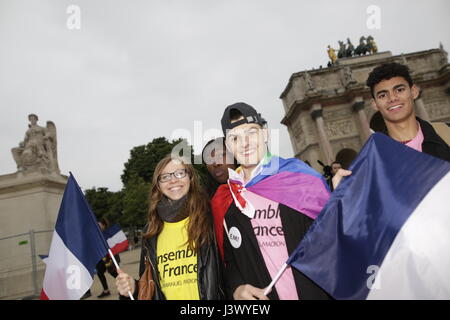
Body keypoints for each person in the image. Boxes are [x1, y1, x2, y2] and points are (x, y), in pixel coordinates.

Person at [211, 102, 346, 300]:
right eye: (235, 138)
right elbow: (231, 262)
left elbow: (339, 238)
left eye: (251, 133)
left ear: (265, 134)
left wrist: (343, 203)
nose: (245, 143)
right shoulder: (229, 199)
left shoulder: (301, 179)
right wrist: (237, 287)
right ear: (229, 146)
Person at [116, 155, 224, 300]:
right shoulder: (151, 231)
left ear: (190, 178)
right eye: (165, 177)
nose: (173, 180)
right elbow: (149, 287)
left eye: (180, 173)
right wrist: (133, 288)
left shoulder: (211, 217)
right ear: (158, 185)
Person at [366, 62, 450, 162]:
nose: (392, 98)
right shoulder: (371, 160)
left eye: (399, 90)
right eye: (383, 95)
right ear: (375, 104)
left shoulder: (447, 133)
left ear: (414, 92)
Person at [96, 219, 121, 298]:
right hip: (102, 258)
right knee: (100, 272)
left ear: (104, 226)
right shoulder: (98, 235)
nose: (98, 227)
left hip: (110, 257)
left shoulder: (107, 234)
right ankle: (106, 290)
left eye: (99, 225)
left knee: (113, 273)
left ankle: (126, 287)